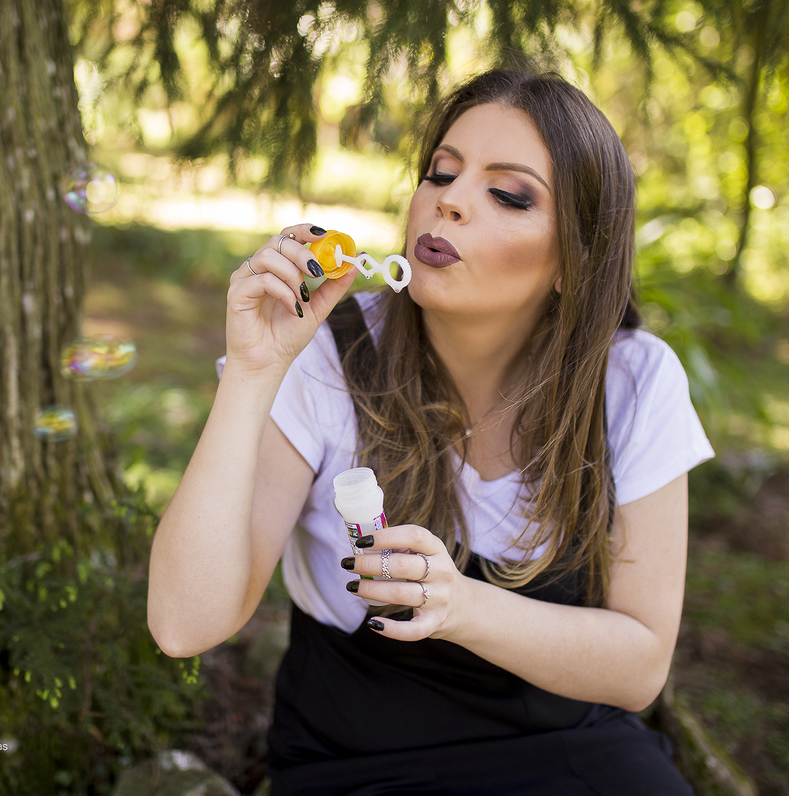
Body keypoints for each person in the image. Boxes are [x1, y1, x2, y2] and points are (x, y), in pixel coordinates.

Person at [147, 67, 714, 795]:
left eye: (507, 193)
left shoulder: (633, 380)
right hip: (357, 760)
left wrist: (461, 606)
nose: (448, 200)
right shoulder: (326, 351)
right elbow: (181, 625)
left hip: (569, 753)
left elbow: (639, 668)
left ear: (576, 259)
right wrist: (253, 375)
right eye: (440, 173)